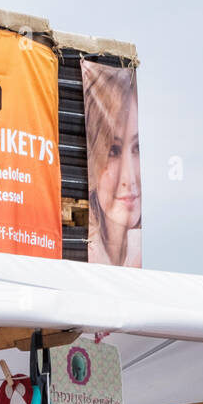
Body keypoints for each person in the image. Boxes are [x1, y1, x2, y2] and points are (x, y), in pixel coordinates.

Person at [81, 62, 141, 267]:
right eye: (113, 151)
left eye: (136, 148)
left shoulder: (137, 257)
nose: (129, 178)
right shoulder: (83, 258)